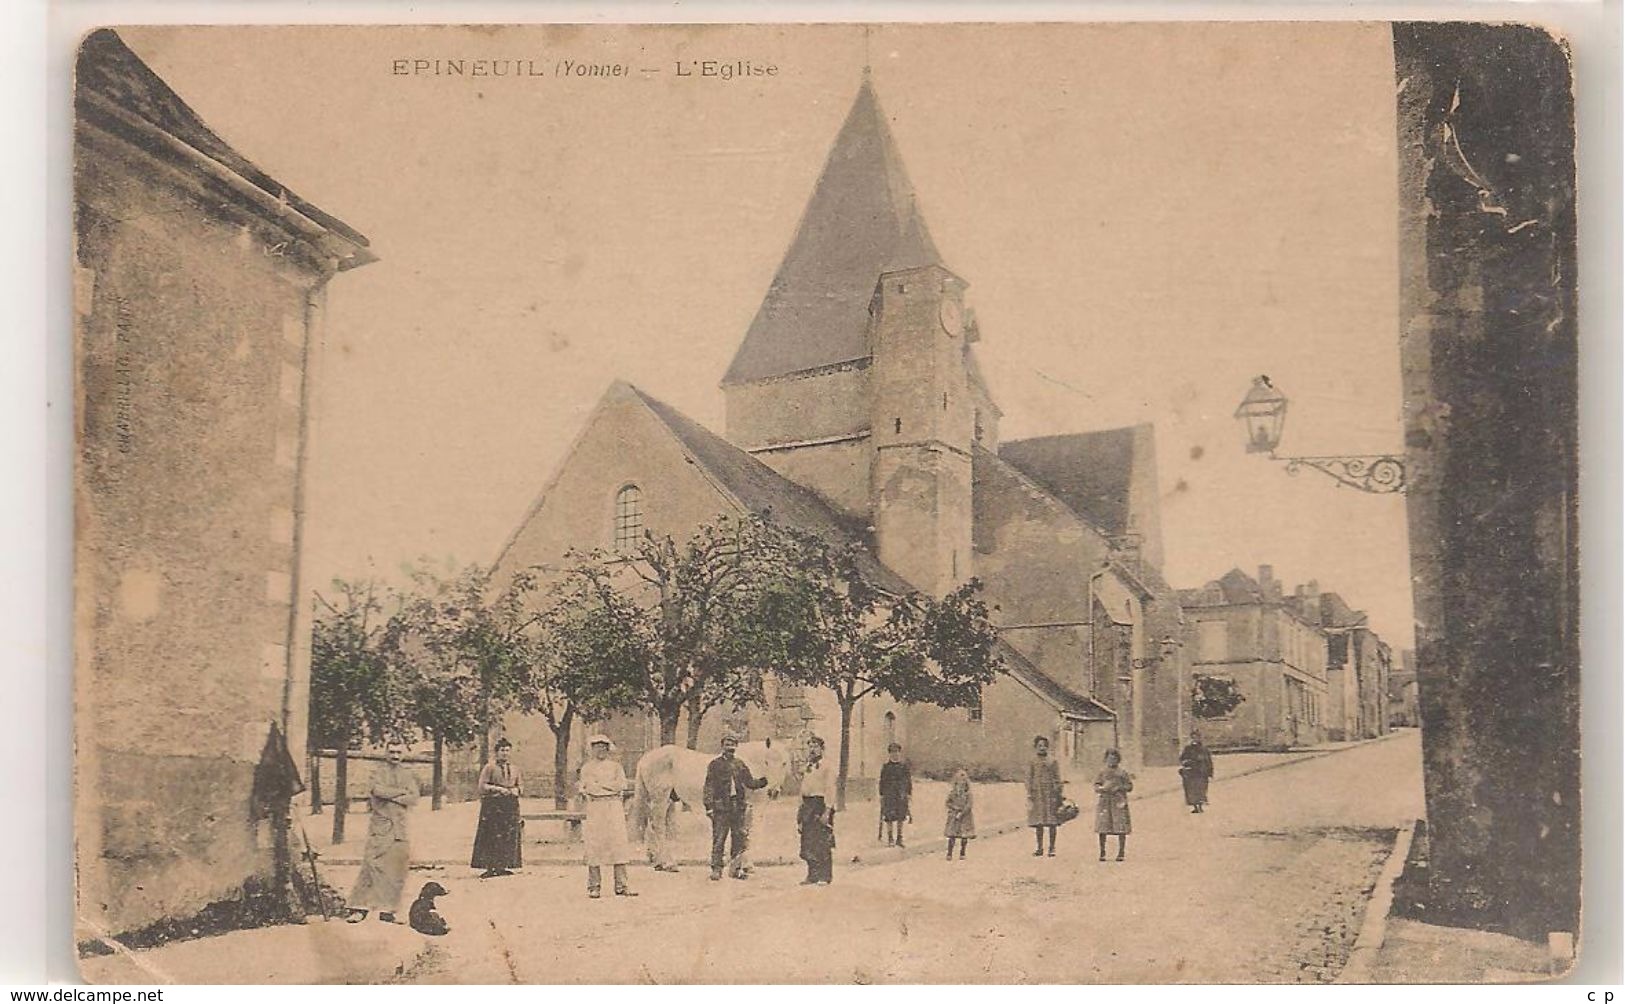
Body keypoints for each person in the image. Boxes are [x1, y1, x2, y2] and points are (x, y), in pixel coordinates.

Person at [347, 741, 419, 923]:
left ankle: (388, 911)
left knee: (397, 870)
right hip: (381, 826)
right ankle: (359, 908)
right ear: (386, 753)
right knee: (372, 866)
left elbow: (413, 798)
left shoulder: (407, 774)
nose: (395, 756)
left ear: (403, 754)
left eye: (398, 752)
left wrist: (392, 795)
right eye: (392, 752)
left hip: (400, 828)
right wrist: (400, 794)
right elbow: (377, 791)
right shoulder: (377, 772)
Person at [577, 734, 637, 899]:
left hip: (614, 807)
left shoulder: (616, 767)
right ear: (592, 749)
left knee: (618, 844)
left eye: (603, 746)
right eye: (597, 746)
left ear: (608, 748)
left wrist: (601, 786)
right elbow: (588, 787)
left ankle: (622, 885)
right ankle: (594, 886)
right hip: (596, 808)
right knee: (595, 845)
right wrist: (605, 788)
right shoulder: (587, 768)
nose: (600, 750)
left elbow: (621, 785)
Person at [702, 734, 767, 881]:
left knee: (738, 838)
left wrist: (764, 781)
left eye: (732, 744)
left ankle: (735, 869)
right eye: (727, 744)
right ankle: (716, 869)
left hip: (737, 807)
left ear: (736, 747)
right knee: (719, 839)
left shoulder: (740, 764)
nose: (730, 747)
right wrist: (709, 806)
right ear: (722, 746)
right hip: (721, 808)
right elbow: (709, 786)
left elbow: (749, 782)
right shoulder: (715, 765)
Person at [471, 737, 523, 877]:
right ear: (496, 752)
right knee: (491, 835)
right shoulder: (489, 767)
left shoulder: (515, 769)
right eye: (502, 750)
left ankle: (503, 865)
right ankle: (490, 867)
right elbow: (482, 786)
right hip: (493, 805)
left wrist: (516, 791)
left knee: (507, 835)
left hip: (510, 805)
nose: (505, 753)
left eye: (507, 750)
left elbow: (520, 786)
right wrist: (499, 789)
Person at [797, 736, 836, 885]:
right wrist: (800, 813)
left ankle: (824, 876)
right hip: (807, 805)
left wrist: (827, 811)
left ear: (822, 748)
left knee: (822, 842)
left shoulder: (827, 766)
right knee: (807, 842)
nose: (812, 749)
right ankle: (812, 875)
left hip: (820, 804)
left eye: (815, 746)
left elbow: (830, 789)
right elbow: (803, 790)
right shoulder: (808, 766)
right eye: (810, 746)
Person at [1094, 748, 1134, 862]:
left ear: (1118, 760)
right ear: (1106, 759)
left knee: (1121, 827)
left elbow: (1130, 786)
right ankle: (1102, 852)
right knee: (1103, 827)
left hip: (1119, 802)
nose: (1112, 761)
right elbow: (1096, 786)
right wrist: (1102, 788)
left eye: (1115, 758)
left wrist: (1120, 788)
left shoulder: (1122, 773)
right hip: (1105, 803)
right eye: (1109, 758)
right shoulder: (1102, 772)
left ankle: (1121, 852)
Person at [1026, 735, 1063, 857]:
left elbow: (1058, 778)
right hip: (1038, 795)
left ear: (1048, 747)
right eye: (1039, 746)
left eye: (1044, 746)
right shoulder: (1032, 762)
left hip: (1050, 795)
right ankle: (1039, 847)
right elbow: (1029, 778)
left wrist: (1058, 792)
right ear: (1035, 747)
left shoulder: (1052, 761)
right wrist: (1030, 792)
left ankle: (1052, 847)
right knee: (1039, 822)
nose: (1042, 748)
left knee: (1052, 822)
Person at [878, 743, 913, 847]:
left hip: (901, 794)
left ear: (899, 753)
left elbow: (908, 781)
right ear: (889, 754)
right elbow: (882, 781)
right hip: (889, 795)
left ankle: (899, 838)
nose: (895, 755)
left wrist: (909, 793)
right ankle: (890, 838)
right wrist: (881, 794)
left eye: (897, 752)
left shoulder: (904, 767)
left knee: (900, 816)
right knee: (889, 817)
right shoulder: (886, 767)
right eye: (893, 752)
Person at [1178, 730, 1215, 814]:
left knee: (1201, 789)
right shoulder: (1188, 748)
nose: (1195, 739)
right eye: (1193, 738)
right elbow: (1182, 758)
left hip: (1202, 773)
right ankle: (1195, 806)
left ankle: (1200, 806)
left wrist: (1210, 772)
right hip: (1192, 772)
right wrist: (1187, 762)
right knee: (1192, 790)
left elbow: (1208, 761)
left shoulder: (1204, 749)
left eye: (1196, 737)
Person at [943, 767, 976, 860]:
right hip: (954, 815)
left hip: (965, 816)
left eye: (963, 782)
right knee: (952, 835)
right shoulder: (953, 793)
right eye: (958, 782)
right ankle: (949, 853)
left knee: (964, 835)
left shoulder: (968, 794)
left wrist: (962, 812)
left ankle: (962, 852)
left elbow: (969, 805)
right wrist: (953, 808)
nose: (961, 785)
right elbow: (947, 802)